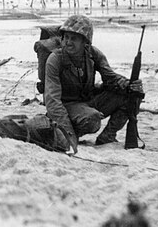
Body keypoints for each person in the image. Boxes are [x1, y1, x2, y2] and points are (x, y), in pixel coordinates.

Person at [43, 14, 144, 151]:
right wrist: (68, 135)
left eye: (74, 38)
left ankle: (107, 137)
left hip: (87, 102)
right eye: (66, 37)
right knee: (92, 119)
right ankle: (67, 132)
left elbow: (111, 78)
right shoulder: (55, 60)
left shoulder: (93, 54)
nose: (68, 42)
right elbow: (52, 101)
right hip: (66, 107)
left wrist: (129, 84)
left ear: (85, 41)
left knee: (131, 95)